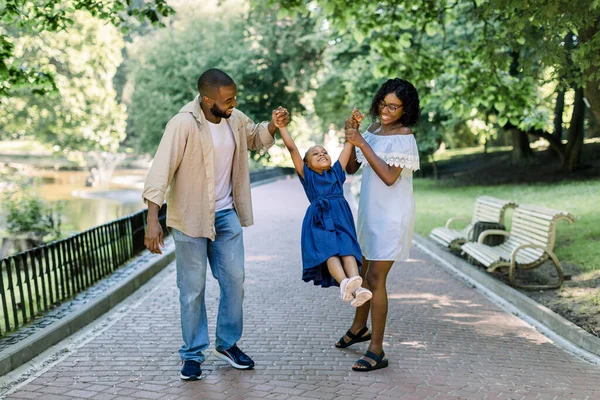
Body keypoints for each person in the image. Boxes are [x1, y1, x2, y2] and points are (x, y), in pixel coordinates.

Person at [142, 69, 290, 381]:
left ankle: (228, 344)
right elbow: (160, 172)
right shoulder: (182, 124)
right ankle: (193, 354)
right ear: (208, 100)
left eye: (235, 97)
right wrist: (153, 220)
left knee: (235, 281)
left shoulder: (234, 118)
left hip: (226, 215)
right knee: (192, 290)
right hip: (190, 218)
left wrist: (273, 127)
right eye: (227, 99)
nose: (234, 103)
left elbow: (255, 138)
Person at [338, 78, 421, 372]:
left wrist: (361, 143)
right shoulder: (372, 130)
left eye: (395, 107)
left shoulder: (404, 136)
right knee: (362, 273)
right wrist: (353, 136)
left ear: (405, 110)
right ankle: (359, 328)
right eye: (384, 104)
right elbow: (351, 168)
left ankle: (377, 350)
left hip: (392, 216)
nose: (387, 111)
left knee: (375, 279)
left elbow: (388, 176)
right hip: (369, 213)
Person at [276, 116, 372, 306]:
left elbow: (347, 146)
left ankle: (356, 286)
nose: (321, 154)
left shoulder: (336, 171)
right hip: (319, 218)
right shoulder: (308, 175)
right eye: (315, 154)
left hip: (341, 216)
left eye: (324, 152)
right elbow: (292, 149)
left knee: (348, 249)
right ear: (307, 164)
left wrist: (352, 126)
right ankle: (344, 282)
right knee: (329, 251)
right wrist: (282, 127)